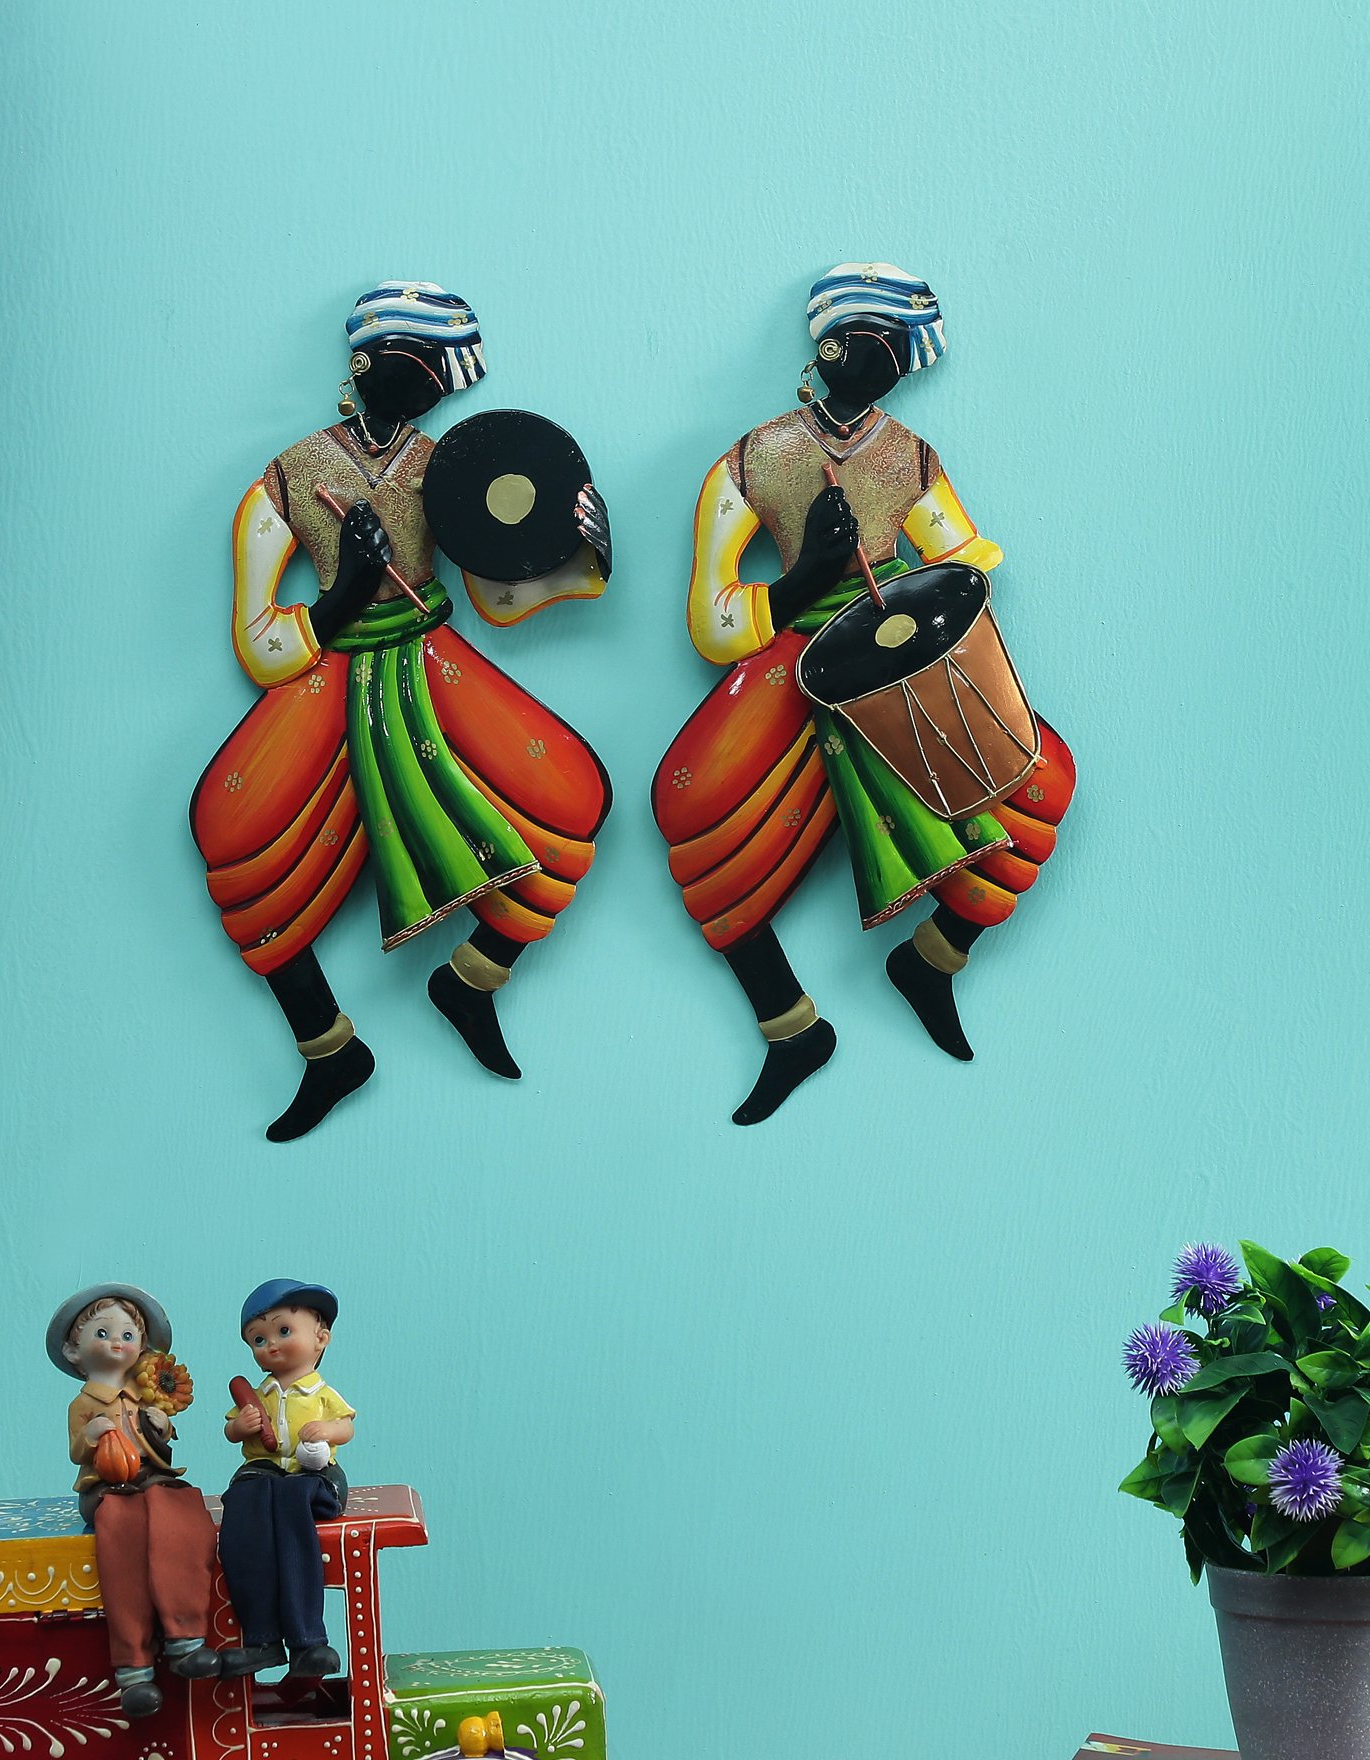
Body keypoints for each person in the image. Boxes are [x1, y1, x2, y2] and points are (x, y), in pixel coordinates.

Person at [651, 263, 1075, 1125]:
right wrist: (802, 578)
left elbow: (959, 558)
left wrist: (948, 582)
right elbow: (711, 621)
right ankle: (789, 1027)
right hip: (793, 654)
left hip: (895, 648)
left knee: (1041, 780)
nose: (886, 363)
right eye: (870, 344)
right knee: (693, 810)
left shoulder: (910, 456)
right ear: (827, 347)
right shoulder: (752, 458)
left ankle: (932, 959)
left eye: (899, 351)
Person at [191, 281, 613, 1141]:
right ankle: (328, 1048)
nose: (430, 384)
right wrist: (340, 599)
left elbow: (498, 597)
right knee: (233, 833)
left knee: (569, 798)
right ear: (362, 364)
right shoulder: (288, 477)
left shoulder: (448, 466)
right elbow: (259, 642)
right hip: (329, 668)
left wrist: (580, 552)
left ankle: (471, 980)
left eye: (440, 371)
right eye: (415, 363)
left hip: (431, 657)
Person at [49, 1283, 221, 1718]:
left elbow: (159, 1443)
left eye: (127, 1335)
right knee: (123, 1533)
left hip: (150, 1477)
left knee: (180, 1514)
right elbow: (76, 1450)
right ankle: (133, 1667)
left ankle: (186, 1637)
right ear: (73, 1350)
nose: (116, 1343)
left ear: (141, 1347)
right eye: (102, 1333)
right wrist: (92, 1435)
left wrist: (162, 1425)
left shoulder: (145, 1394)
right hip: (106, 1486)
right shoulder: (84, 1403)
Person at [218, 1278, 354, 1678]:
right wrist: (241, 1426)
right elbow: (229, 1432)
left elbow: (346, 1427)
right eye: (258, 1340)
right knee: (243, 1513)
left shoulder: (321, 1393)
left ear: (320, 1339)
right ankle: (261, 1640)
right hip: (263, 1473)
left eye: (283, 1331)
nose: (271, 1345)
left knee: (292, 1512)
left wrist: (327, 1430)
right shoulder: (258, 1395)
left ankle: (307, 1642)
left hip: (312, 1475)